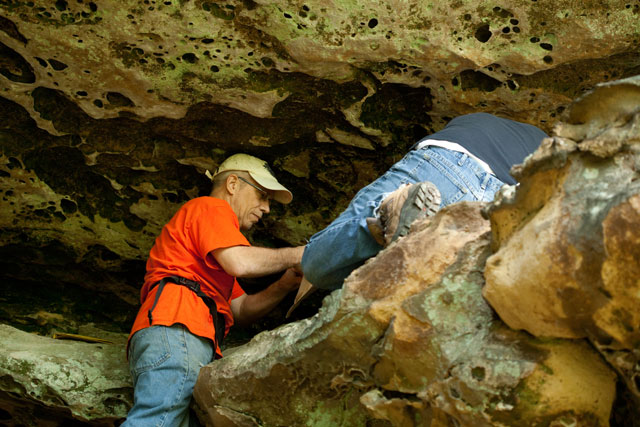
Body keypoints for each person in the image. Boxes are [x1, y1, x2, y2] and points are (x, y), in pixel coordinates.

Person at [123, 154, 305, 426]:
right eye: (262, 195)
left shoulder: (211, 257)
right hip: (178, 328)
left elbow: (240, 309)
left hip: (175, 332)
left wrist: (285, 283)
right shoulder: (210, 208)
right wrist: (299, 255)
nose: (266, 208)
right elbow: (240, 262)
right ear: (233, 184)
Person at [293, 113, 548, 308]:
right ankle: (395, 232)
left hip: (448, 162)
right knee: (413, 286)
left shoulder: (481, 121)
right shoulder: (556, 152)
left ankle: (387, 214)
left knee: (315, 265)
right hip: (504, 201)